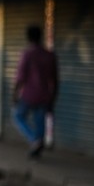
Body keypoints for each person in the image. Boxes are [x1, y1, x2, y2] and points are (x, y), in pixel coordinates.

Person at [12, 24, 58, 158]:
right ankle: (36, 148)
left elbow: (20, 77)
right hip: (44, 95)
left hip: (29, 95)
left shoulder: (27, 54)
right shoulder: (49, 55)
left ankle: (34, 140)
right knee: (40, 123)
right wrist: (53, 98)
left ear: (28, 37)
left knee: (18, 116)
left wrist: (15, 94)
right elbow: (55, 80)